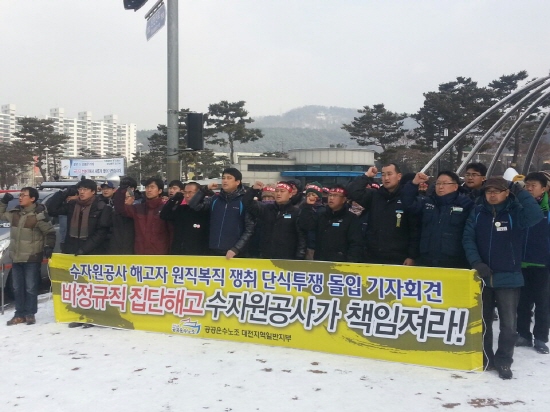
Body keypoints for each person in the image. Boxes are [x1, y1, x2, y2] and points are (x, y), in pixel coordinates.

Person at [463, 177, 543, 379]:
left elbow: (535, 216)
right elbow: (468, 238)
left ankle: (504, 361)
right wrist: (476, 263)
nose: (492, 194)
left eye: (497, 191)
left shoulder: (515, 212)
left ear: (507, 193)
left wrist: (521, 191)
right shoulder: (478, 211)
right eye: (489, 191)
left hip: (509, 278)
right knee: (483, 322)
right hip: (483, 277)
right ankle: (485, 357)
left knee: (509, 326)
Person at [1, 188, 56, 326]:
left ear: (32, 199)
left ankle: (30, 313)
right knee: (17, 288)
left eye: (23, 195)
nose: (20, 198)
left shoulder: (38, 215)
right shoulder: (15, 214)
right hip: (16, 256)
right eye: (20, 195)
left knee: (30, 287)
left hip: (32, 257)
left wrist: (48, 247)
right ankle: (19, 314)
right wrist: (3, 202)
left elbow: (49, 232)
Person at [346, 163, 419, 265]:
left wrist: (411, 256)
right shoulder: (374, 196)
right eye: (383, 175)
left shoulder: (407, 198)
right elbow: (353, 192)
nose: (386, 178)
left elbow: (414, 229)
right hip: (372, 256)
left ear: (399, 176)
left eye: (389, 174)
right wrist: (367, 176)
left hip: (398, 258)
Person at [402, 171, 474, 268]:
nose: (440, 187)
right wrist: (414, 183)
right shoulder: (427, 202)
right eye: (438, 183)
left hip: (454, 262)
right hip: (426, 259)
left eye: (445, 183)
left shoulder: (466, 205)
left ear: (455, 186)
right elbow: (408, 203)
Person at [515, 172, 550, 354]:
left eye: (533, 185)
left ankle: (541, 338)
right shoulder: (519, 206)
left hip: (542, 264)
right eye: (526, 185)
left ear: (544, 188)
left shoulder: (547, 209)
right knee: (522, 301)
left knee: (543, 302)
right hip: (521, 262)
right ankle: (523, 334)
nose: (528, 189)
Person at [188, 167, 254, 259]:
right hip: (213, 250)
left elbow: (249, 229)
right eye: (223, 178)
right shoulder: (215, 199)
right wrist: (204, 190)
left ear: (237, 182)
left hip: (235, 254)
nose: (225, 181)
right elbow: (193, 205)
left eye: (229, 178)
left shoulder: (244, 201)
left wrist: (236, 249)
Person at [47, 178, 112, 256]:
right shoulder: (73, 204)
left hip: (92, 251)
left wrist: (84, 249)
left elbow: (101, 232)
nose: (82, 192)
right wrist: (65, 193)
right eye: (80, 189)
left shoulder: (101, 207)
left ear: (93, 192)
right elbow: (52, 210)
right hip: (71, 249)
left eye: (85, 189)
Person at [243, 181, 306, 260]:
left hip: (287, 258)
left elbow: (301, 237)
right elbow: (247, 203)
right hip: (266, 257)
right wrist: (253, 190)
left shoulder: (296, 212)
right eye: (276, 191)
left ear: (290, 195)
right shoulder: (266, 209)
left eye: (282, 191)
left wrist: (299, 257)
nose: (278, 194)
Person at [301, 185, 364, 262]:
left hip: (341, 264)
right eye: (330, 195)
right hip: (321, 261)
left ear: (344, 199)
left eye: (335, 195)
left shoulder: (351, 219)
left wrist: (350, 262)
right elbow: (306, 226)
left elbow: (355, 244)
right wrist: (308, 207)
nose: (331, 198)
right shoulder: (321, 215)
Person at [114, 177, 173, 255]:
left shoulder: (166, 209)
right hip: (140, 254)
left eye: (152, 187)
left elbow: (171, 233)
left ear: (160, 191)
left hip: (160, 254)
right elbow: (120, 209)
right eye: (147, 187)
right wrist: (122, 190)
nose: (149, 190)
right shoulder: (138, 208)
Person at [160, 181, 209, 255]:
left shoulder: (205, 211)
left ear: (199, 194)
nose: (187, 195)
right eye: (185, 193)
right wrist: (174, 199)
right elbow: (164, 215)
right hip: (178, 252)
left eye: (190, 192)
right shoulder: (181, 209)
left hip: (198, 254)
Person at [109, 176, 137, 255]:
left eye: (127, 197)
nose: (125, 199)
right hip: (116, 245)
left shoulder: (138, 209)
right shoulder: (114, 210)